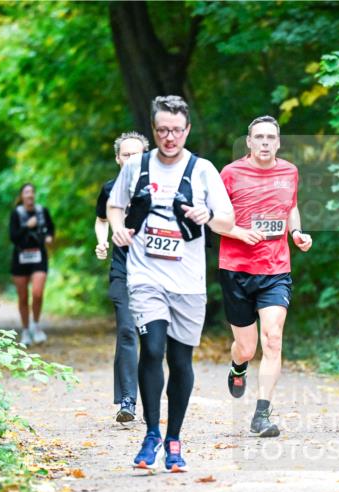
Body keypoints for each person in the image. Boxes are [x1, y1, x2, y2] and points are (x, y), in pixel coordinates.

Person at [106, 95, 236, 472]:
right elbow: (114, 206)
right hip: (146, 276)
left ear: (187, 130)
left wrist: (208, 214)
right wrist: (118, 230)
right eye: (162, 130)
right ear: (154, 129)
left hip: (188, 282)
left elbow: (227, 220)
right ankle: (151, 434)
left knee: (180, 361)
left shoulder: (203, 170)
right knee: (152, 349)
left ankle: (174, 440)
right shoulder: (137, 168)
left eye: (176, 130)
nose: (169, 137)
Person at [217, 115, 312, 436]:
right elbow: (214, 219)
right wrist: (240, 232)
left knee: (272, 340)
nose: (265, 143)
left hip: (275, 270)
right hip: (236, 270)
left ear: (279, 142)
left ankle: (261, 415)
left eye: (271, 137)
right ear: (248, 142)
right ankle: (238, 365)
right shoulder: (230, 174)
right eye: (259, 137)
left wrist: (297, 232)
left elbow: (291, 207)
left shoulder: (290, 172)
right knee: (246, 347)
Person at [95, 131, 150, 423]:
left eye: (137, 154)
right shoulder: (109, 189)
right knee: (127, 330)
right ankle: (127, 401)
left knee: (153, 339)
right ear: (117, 159)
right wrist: (102, 241)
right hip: (123, 270)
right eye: (126, 155)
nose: (131, 160)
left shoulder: (159, 188)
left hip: (156, 273)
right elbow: (101, 219)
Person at [9, 183, 54, 347]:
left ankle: (36, 325)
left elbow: (51, 229)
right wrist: (27, 226)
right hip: (20, 258)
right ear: (21, 196)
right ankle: (26, 330)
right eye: (26, 192)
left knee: (37, 293)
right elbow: (13, 237)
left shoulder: (42, 211)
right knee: (22, 297)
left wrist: (49, 237)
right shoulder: (16, 213)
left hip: (39, 257)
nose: (30, 195)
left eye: (32, 192)